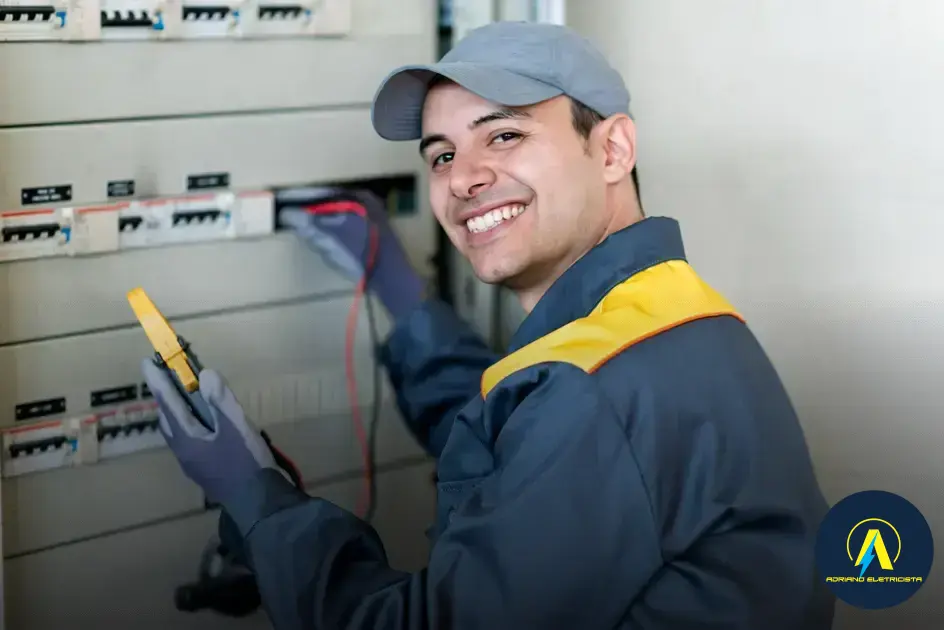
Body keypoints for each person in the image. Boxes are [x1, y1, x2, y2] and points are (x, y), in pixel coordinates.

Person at [142, 21, 836, 630]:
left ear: (614, 148)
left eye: (504, 134)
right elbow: (514, 445)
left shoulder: (598, 394)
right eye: (441, 154)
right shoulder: (662, 313)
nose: (463, 179)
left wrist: (256, 500)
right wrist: (405, 299)